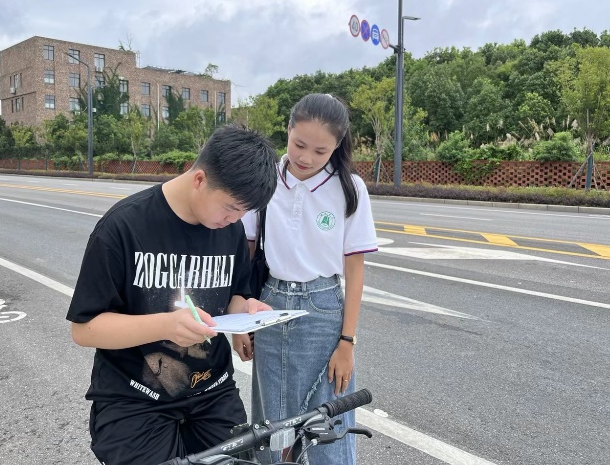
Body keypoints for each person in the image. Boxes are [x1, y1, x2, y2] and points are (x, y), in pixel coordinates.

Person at [66, 125, 278, 465]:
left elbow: (234, 295)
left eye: (243, 213)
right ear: (199, 180)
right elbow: (84, 329)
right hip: (134, 397)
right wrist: (165, 326)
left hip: (212, 390)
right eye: (230, 208)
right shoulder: (123, 227)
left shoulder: (231, 230)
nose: (235, 220)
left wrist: (246, 311)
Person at [235, 93, 378, 465]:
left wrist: (347, 342)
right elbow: (245, 251)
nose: (306, 158)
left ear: (337, 146)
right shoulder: (264, 179)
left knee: (326, 425)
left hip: (323, 308)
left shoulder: (349, 188)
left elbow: (355, 270)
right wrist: (240, 320)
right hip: (268, 303)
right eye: (299, 144)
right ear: (288, 129)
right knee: (271, 426)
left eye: (320, 151)